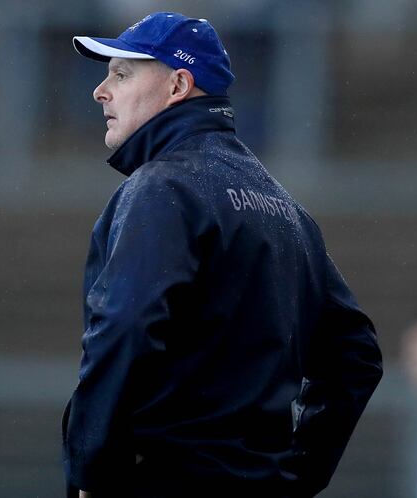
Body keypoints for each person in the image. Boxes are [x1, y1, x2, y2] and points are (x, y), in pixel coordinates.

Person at [62, 12, 383, 498]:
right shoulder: (284, 206)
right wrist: (297, 475)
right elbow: (355, 355)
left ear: (178, 85)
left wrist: (91, 469)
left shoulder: (161, 187)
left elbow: (124, 327)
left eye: (122, 73)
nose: (100, 90)